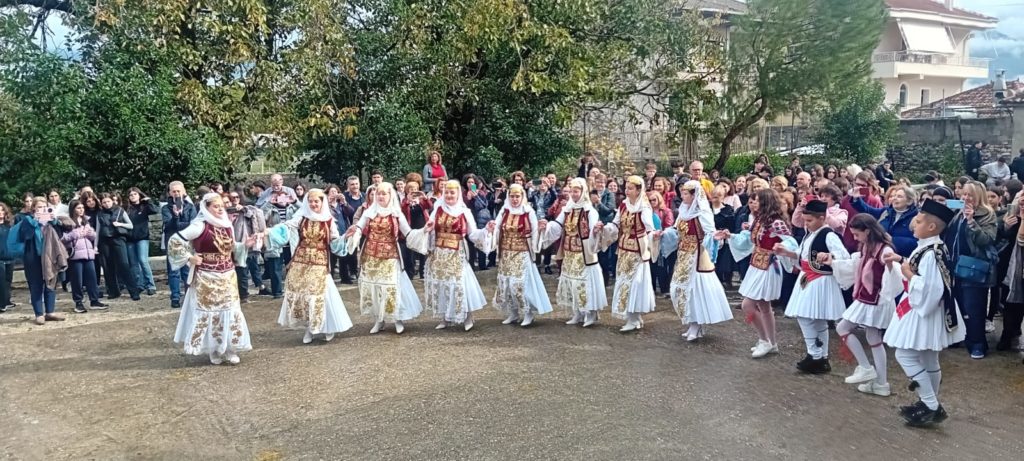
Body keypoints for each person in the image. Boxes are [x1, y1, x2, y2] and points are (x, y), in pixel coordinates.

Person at [883, 199, 965, 427]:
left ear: (931, 227)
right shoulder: (930, 248)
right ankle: (928, 402)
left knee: (905, 355)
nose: (913, 224)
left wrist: (907, 273)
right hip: (923, 306)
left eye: (918, 221)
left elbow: (932, 287)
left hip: (924, 309)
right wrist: (903, 265)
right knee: (929, 357)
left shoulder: (931, 252)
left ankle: (930, 404)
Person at [168, 193, 256, 365]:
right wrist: (189, 257)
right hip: (207, 275)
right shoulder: (200, 226)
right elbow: (174, 241)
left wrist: (244, 246)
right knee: (211, 311)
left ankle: (230, 348)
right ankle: (213, 349)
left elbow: (228, 248)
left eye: (221, 206)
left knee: (230, 309)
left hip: (227, 274)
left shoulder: (227, 225)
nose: (219, 209)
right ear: (206, 208)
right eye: (215, 206)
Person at [825, 214, 903, 396]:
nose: (854, 238)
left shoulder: (883, 250)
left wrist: (892, 265)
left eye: (857, 234)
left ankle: (865, 367)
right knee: (873, 338)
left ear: (867, 231)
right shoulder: (868, 246)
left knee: (843, 328)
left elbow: (895, 275)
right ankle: (881, 383)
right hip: (870, 298)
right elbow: (856, 266)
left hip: (875, 299)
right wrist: (834, 263)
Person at [719, 189, 798, 358]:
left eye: (757, 200)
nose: (753, 203)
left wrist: (782, 249)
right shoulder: (759, 220)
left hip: (769, 266)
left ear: (766, 202)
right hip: (756, 264)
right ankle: (771, 342)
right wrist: (730, 235)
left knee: (748, 305)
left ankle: (764, 340)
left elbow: (791, 242)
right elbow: (747, 239)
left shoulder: (776, 223)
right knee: (764, 306)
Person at [773, 200, 849, 373]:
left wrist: (829, 256)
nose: (806, 224)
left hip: (820, 279)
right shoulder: (809, 234)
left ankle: (815, 354)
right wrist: (786, 253)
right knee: (814, 318)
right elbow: (802, 256)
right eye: (805, 221)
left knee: (806, 316)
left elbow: (843, 256)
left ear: (822, 218)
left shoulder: (829, 235)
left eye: (810, 221)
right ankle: (820, 356)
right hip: (806, 276)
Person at [344, 183, 425, 334]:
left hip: (390, 255)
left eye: (384, 194)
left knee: (390, 287)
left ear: (390, 195)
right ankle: (379, 320)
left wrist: (424, 231)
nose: (380, 196)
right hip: (370, 256)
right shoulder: (369, 212)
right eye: (378, 194)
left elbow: (408, 233)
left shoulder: (396, 214)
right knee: (374, 288)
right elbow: (360, 227)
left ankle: (396, 318)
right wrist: (354, 231)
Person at [421, 180, 494, 330]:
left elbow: (472, 234)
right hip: (439, 253)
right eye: (446, 192)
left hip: (456, 253)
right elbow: (431, 228)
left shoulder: (464, 211)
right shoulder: (438, 209)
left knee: (459, 284)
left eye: (452, 192)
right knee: (441, 284)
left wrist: (486, 230)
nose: (449, 195)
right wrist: (428, 229)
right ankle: (445, 317)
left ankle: (468, 316)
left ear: (458, 194)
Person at [668, 181, 733, 341]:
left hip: (697, 256)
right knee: (679, 288)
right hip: (683, 255)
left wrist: (715, 237)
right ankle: (691, 322)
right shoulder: (683, 211)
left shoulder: (702, 212)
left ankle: (696, 324)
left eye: (685, 193)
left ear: (694, 195)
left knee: (695, 290)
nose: (682, 196)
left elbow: (710, 232)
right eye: (682, 193)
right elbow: (676, 230)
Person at [539, 177, 607, 326]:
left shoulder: (590, 211)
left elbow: (593, 231)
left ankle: (590, 313)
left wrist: (596, 231)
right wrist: (547, 227)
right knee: (571, 283)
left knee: (584, 283)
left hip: (584, 253)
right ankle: (577, 313)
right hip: (569, 252)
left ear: (583, 192)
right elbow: (557, 226)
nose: (574, 194)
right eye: (571, 191)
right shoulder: (567, 210)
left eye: (576, 191)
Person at [944, 181, 997, 359]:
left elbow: (986, 240)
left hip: (972, 267)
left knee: (974, 307)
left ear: (978, 197)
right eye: (964, 194)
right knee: (958, 305)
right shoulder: (957, 213)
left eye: (970, 195)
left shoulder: (987, 214)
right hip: (954, 265)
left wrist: (972, 221)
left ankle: (978, 344)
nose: (965, 198)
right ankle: (963, 338)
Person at [490, 184, 553, 326]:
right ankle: (513, 313)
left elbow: (535, 231)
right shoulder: (504, 211)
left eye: (517, 196)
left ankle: (528, 312)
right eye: (512, 196)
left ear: (522, 197)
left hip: (521, 252)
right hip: (506, 252)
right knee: (506, 284)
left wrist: (541, 233)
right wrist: (492, 230)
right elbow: (498, 228)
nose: (514, 199)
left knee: (517, 284)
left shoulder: (528, 211)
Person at [603, 175, 658, 332]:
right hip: (623, 249)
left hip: (638, 251)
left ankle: (633, 317)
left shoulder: (644, 208)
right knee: (624, 281)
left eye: (630, 188)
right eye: (626, 188)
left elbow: (649, 228)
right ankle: (633, 317)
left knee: (635, 283)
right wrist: (606, 229)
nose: (627, 191)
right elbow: (616, 224)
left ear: (639, 190)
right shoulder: (623, 206)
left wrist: (653, 237)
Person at [12, 198, 67, 325]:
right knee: (36, 285)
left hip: (49, 256)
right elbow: (25, 236)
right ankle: (39, 314)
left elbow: (61, 234)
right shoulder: (27, 220)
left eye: (44, 207)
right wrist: (36, 222)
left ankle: (50, 312)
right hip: (33, 258)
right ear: (34, 208)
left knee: (50, 283)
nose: (42, 209)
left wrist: (53, 220)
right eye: (39, 207)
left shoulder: (50, 221)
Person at [62, 201, 107, 313]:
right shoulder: (67, 222)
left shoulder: (86, 221)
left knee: (92, 278)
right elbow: (63, 239)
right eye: (78, 208)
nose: (81, 210)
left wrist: (91, 233)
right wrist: (75, 234)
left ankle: (94, 300)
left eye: (82, 208)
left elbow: (92, 237)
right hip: (75, 255)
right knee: (77, 280)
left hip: (88, 254)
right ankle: (78, 302)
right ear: (73, 209)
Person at [850, 185, 919, 258]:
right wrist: (856, 198)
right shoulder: (886, 212)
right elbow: (867, 210)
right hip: (879, 256)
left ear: (909, 201)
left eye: (899, 196)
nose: (894, 198)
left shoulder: (916, 218)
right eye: (894, 196)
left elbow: (917, 243)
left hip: (900, 260)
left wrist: (893, 240)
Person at [97, 193, 141, 301]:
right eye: (104, 202)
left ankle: (133, 291)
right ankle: (113, 291)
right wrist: (95, 245)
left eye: (108, 201)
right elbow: (98, 230)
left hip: (118, 239)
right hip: (105, 241)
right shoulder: (100, 214)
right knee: (107, 267)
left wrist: (120, 224)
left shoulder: (120, 210)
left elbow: (130, 225)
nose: (107, 204)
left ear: (112, 201)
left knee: (124, 265)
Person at [225, 192, 266, 303]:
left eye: (237, 197)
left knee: (245, 269)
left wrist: (243, 209)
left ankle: (244, 295)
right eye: (232, 198)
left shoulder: (246, 210)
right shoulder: (224, 214)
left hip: (246, 244)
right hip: (230, 245)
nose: (234, 200)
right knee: (236, 271)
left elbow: (252, 216)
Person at [162, 181, 197, 308]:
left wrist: (179, 223)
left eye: (178, 191)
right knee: (173, 271)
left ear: (184, 192)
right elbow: (169, 225)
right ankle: (175, 297)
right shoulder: (166, 208)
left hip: (187, 242)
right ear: (170, 193)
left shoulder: (190, 207)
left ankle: (189, 296)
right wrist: (176, 217)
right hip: (172, 242)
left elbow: (193, 225)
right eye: (174, 191)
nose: (176, 193)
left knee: (187, 270)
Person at [124, 188, 159, 296]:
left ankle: (150, 285)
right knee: (134, 264)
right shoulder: (126, 208)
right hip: (130, 238)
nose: (133, 196)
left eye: (135, 194)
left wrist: (148, 201)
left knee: (143, 261)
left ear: (139, 195)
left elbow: (155, 210)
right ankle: (139, 285)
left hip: (142, 237)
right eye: (131, 195)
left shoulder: (144, 207)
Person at [400, 174, 432, 280]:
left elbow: (430, 206)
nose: (413, 191)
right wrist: (408, 201)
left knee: (423, 251)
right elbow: (402, 211)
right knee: (411, 253)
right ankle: (411, 273)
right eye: (411, 189)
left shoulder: (421, 200)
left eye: (415, 189)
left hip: (422, 227)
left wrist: (425, 197)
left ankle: (423, 273)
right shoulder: (404, 201)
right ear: (407, 190)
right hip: (411, 229)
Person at [0, 203, 14, 312]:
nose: (0, 212)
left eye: (2, 210)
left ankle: (7, 301)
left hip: (10, 256)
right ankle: (1, 304)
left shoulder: (9, 225)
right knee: (1, 281)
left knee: (8, 280)